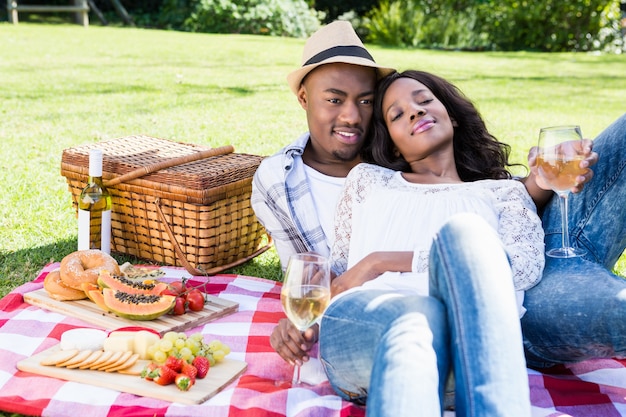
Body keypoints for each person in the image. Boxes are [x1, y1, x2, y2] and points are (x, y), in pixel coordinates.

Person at [310, 69, 548, 415]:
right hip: (363, 331)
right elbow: (343, 274)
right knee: (416, 319)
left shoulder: (504, 192)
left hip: (466, 343)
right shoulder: (369, 182)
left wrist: (382, 261)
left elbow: (523, 269)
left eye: (423, 101)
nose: (415, 111)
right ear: (391, 140)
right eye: (397, 114)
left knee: (463, 236)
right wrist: (305, 319)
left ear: (450, 116)